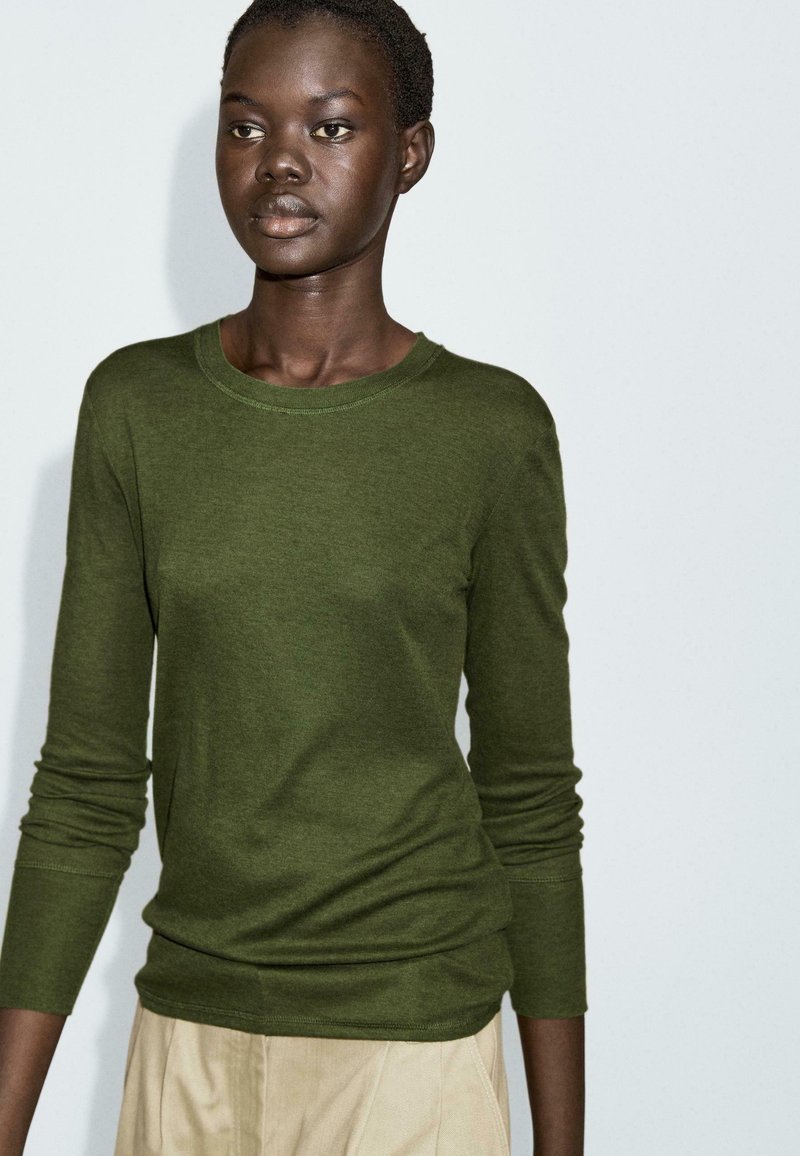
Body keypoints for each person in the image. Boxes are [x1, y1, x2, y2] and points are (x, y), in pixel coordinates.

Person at [0, 1, 587, 1153]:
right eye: (245, 125)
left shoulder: (488, 431)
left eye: (329, 127)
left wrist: (562, 1143)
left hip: (413, 1053)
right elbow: (84, 786)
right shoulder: (137, 408)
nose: (277, 162)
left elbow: (527, 802)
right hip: (188, 1043)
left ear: (407, 153)